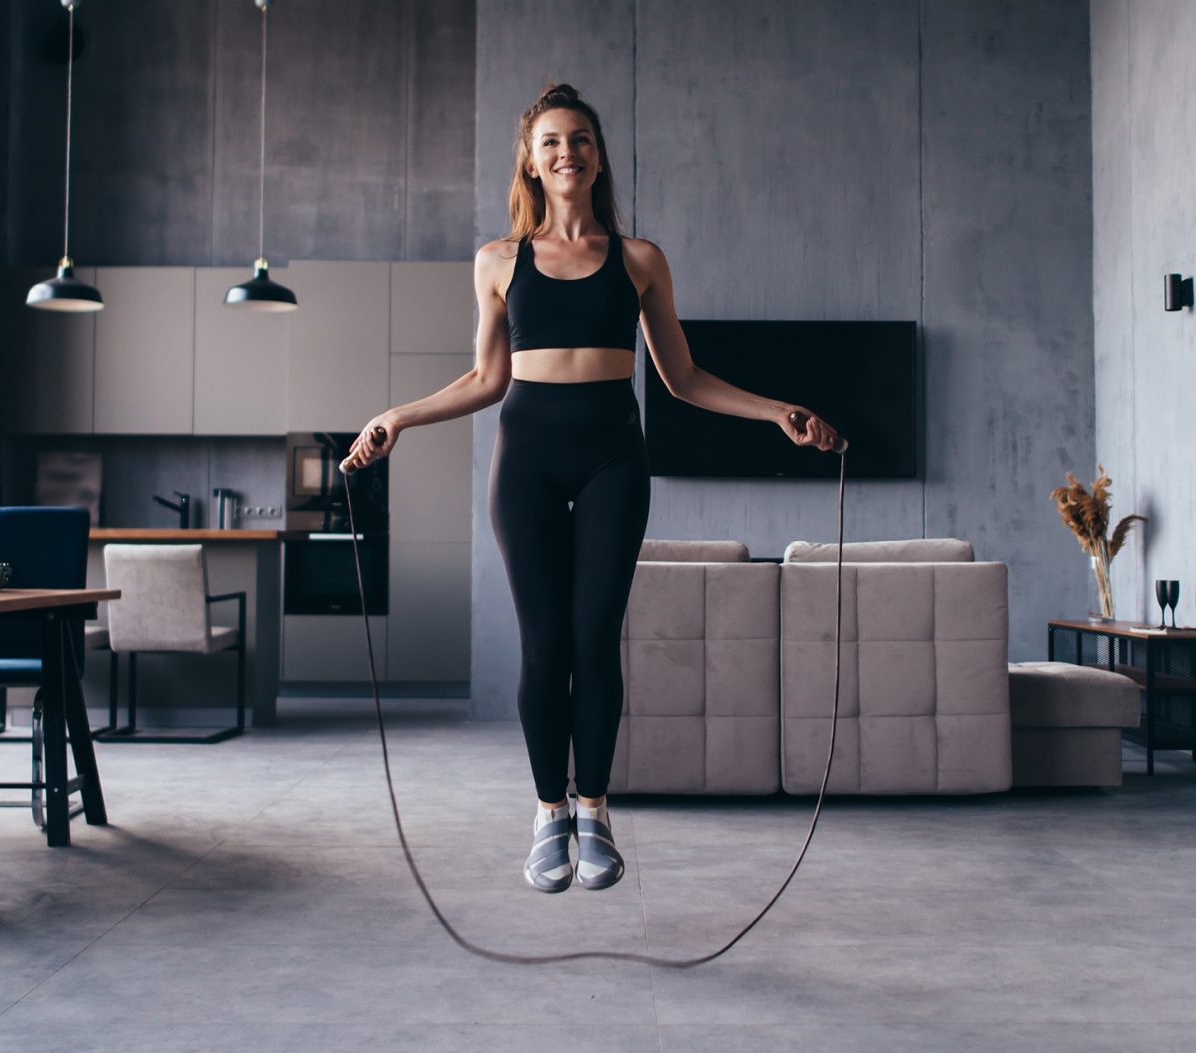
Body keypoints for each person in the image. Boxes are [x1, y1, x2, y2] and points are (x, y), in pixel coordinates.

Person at [342, 82, 841, 893]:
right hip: (528, 460)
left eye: (578, 138)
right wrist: (398, 416)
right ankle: (547, 815)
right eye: (549, 142)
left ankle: (594, 810)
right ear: (531, 165)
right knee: (544, 645)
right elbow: (485, 377)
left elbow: (680, 378)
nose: (565, 151)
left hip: (615, 458)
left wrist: (773, 411)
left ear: (598, 155)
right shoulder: (498, 261)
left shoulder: (640, 260)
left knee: (594, 638)